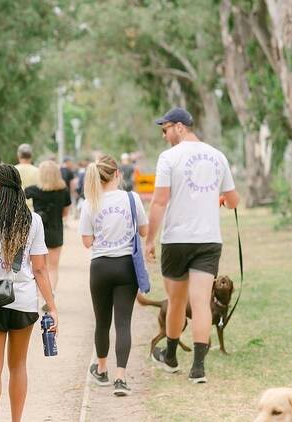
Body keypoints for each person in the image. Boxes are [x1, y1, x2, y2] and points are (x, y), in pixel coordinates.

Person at [146, 107, 240, 384]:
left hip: (176, 240)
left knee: (176, 301)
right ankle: (198, 368)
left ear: (179, 127)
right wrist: (221, 199)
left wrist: (149, 239)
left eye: (165, 129)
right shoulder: (218, 156)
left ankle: (172, 357)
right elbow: (234, 200)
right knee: (201, 303)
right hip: (208, 240)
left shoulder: (168, 158)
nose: (164, 136)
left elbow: (159, 201)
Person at [0, 164, 58, 422]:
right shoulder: (33, 220)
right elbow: (40, 269)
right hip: (24, 301)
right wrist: (51, 307)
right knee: (18, 366)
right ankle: (15, 419)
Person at [78, 155, 148, 396]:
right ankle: (121, 377)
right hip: (126, 265)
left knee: (102, 321)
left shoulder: (90, 202)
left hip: (100, 266)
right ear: (118, 173)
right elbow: (144, 229)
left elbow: (87, 242)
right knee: (123, 322)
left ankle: (102, 368)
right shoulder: (132, 198)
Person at [24, 160, 72, 309]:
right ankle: (49, 295)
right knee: (53, 267)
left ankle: (39, 295)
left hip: (37, 231)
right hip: (56, 230)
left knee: (38, 266)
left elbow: (21, 202)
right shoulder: (63, 191)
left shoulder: (33, 190)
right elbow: (65, 213)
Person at [15, 143, 40, 210]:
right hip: (33, 209)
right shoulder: (38, 171)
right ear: (31, 155)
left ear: (18, 155)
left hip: (16, 207)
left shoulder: (13, 170)